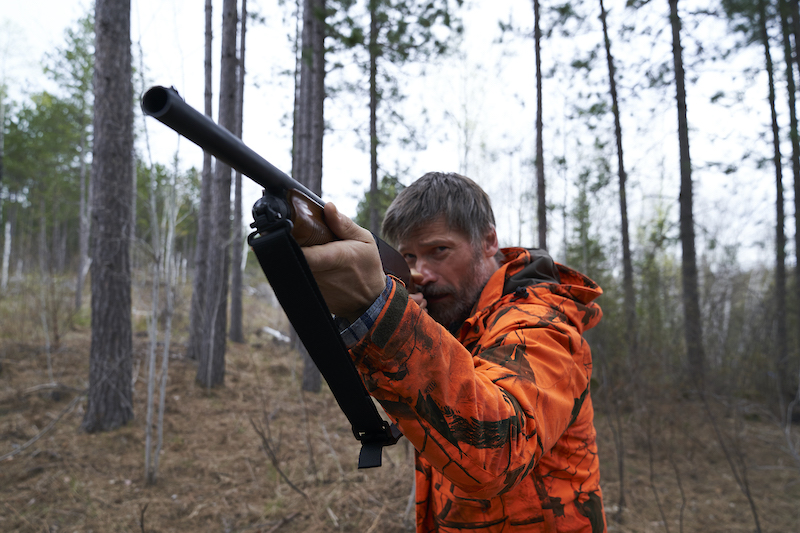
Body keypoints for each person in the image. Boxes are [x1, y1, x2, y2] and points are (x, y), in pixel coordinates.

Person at [302, 172, 606, 533]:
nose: (422, 273)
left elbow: (497, 453)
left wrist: (389, 320)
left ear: (489, 241)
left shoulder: (543, 323)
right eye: (410, 256)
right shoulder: (453, 321)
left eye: (439, 251)